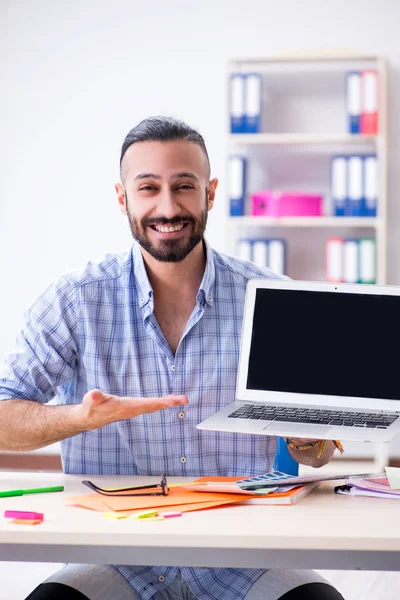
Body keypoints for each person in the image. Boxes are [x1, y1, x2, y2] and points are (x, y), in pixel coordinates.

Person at [0, 116, 344, 600]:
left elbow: (317, 450)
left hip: (245, 557)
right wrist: (78, 418)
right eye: (148, 188)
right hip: (118, 557)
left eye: (184, 186)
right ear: (123, 198)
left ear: (210, 192)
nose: (168, 207)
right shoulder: (76, 300)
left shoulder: (273, 302)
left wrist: (311, 439)